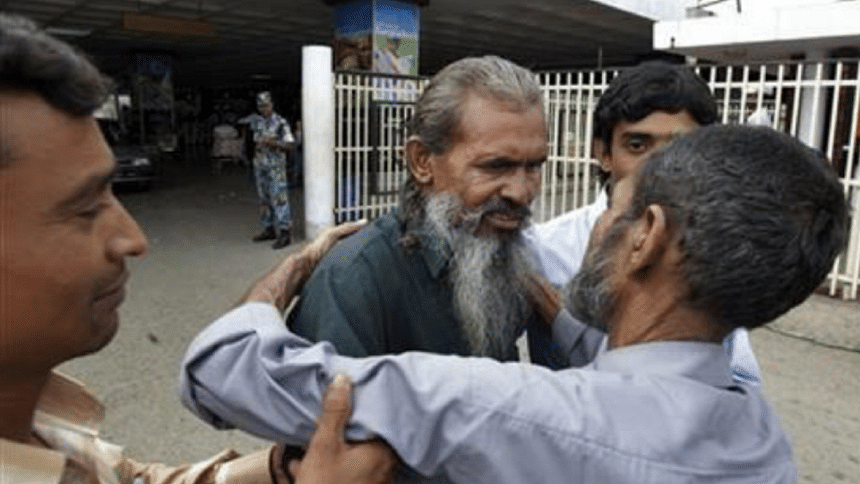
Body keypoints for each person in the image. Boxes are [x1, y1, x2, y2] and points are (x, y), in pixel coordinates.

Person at [182, 124, 847, 483]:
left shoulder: (521, 412)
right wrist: (531, 280)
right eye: (501, 167)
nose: (525, 194)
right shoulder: (760, 435)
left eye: (611, 210)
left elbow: (222, 365)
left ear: (645, 236)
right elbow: (625, 363)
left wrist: (296, 264)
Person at [0, 13, 393, 484]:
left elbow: (133, 479)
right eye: (84, 208)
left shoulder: (39, 424)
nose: (134, 239)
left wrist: (282, 472)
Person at [288, 55, 556, 365]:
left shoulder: (507, 255)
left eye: (534, 166)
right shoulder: (352, 282)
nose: (522, 193)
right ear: (422, 162)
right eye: (496, 166)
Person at [523, 60, 762, 383]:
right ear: (603, 153)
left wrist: (567, 324)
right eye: (637, 145)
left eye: (679, 147)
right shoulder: (546, 251)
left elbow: (742, 380)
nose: (658, 166)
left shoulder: (713, 252)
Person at [249, 91, 295, 250]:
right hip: (261, 165)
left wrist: (273, 143)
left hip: (276, 167)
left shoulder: (281, 122)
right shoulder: (257, 122)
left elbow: (290, 145)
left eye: (266, 105)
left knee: (279, 198)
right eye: (260, 106)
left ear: (272, 105)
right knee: (264, 198)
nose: (263, 109)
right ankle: (269, 229)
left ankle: (285, 232)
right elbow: (254, 141)